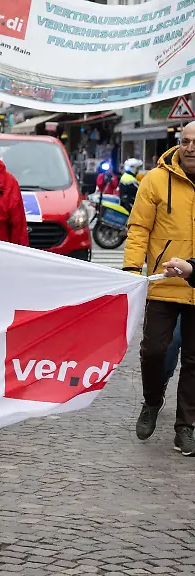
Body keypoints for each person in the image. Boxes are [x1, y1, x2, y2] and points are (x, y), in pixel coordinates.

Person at [125, 120, 195, 457]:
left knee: (194, 362)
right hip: (164, 283)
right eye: (185, 140)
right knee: (154, 351)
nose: (190, 147)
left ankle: (185, 428)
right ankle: (152, 401)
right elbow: (139, 229)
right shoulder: (153, 180)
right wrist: (129, 269)